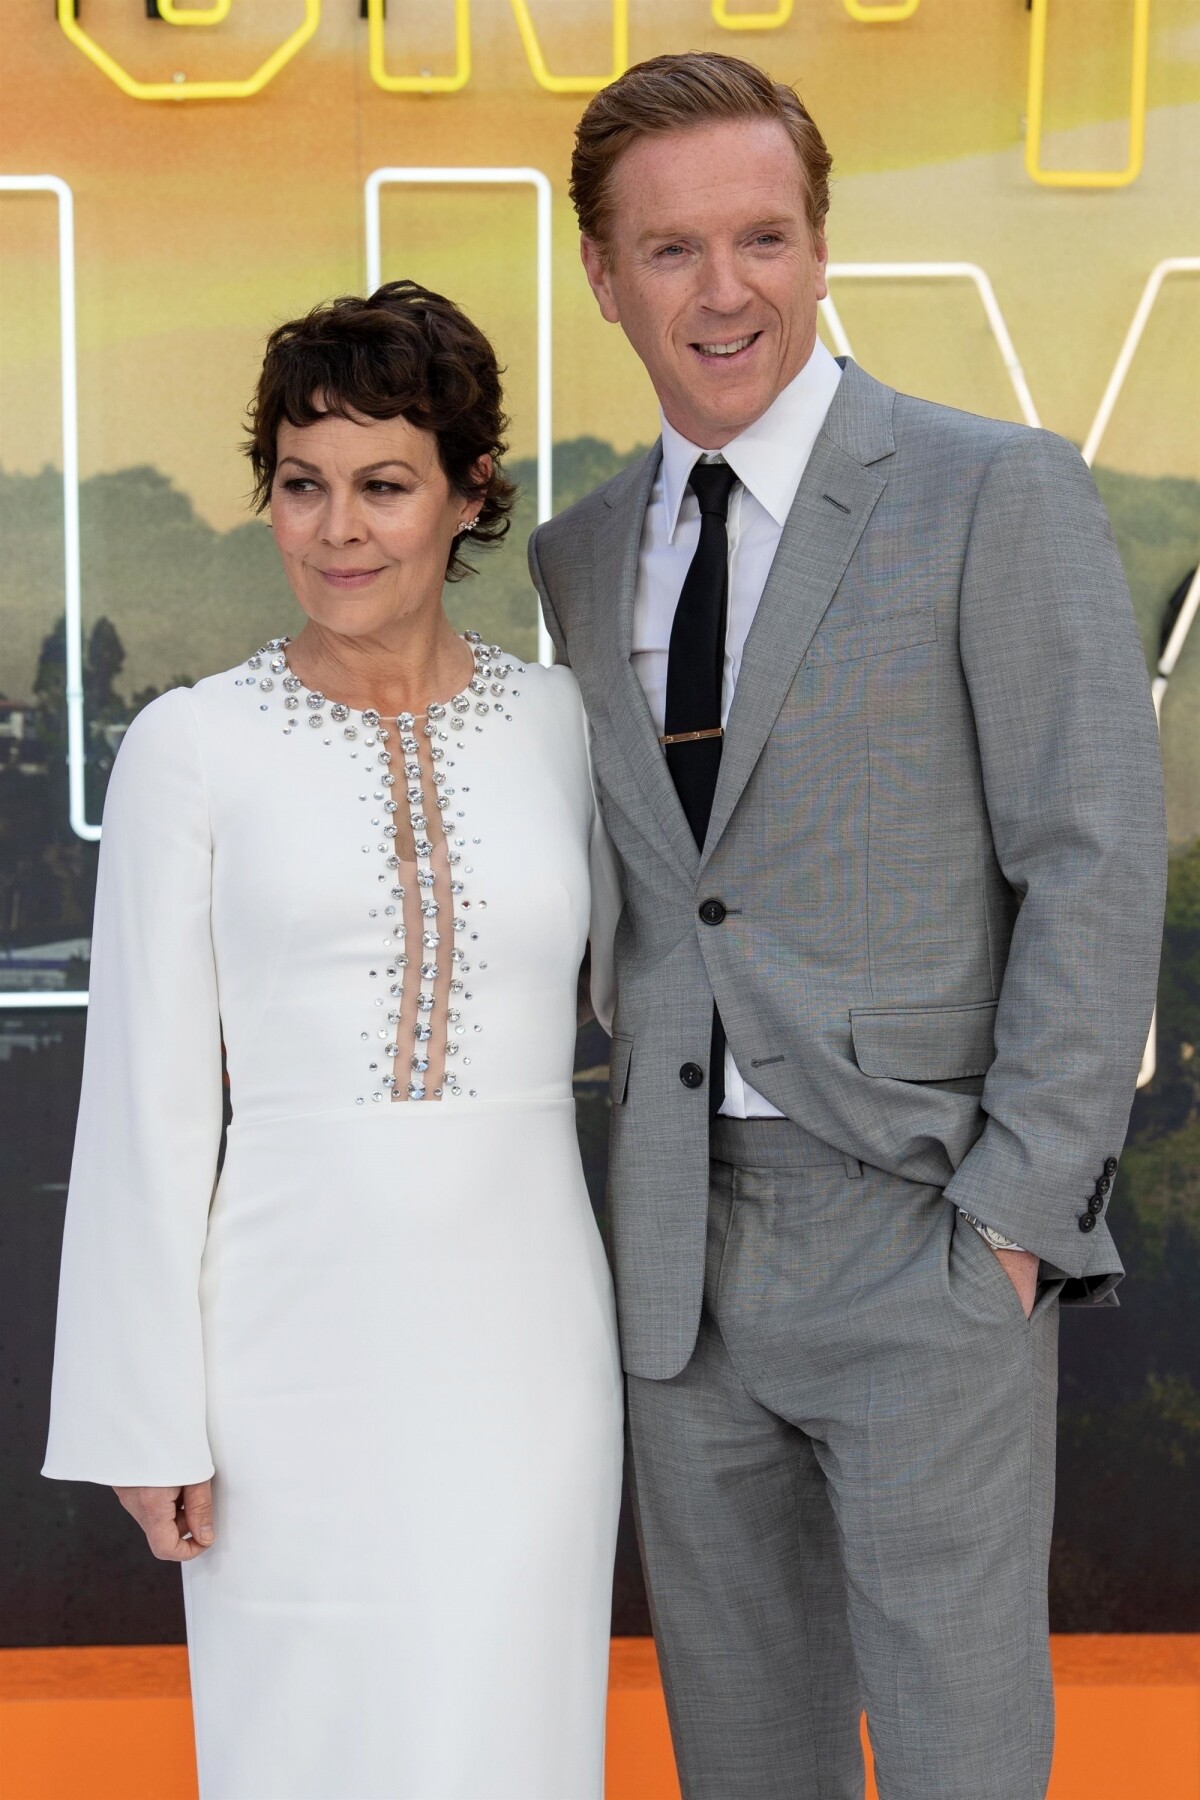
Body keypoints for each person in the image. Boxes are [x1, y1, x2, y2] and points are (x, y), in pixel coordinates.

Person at [529, 51, 1166, 1800]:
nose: (723, 290)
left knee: (964, 1761)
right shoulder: (581, 557)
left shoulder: (993, 490)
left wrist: (1016, 1224)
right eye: (671, 251)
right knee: (744, 1762)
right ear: (602, 273)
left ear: (819, 247)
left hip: (925, 1230)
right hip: (678, 1263)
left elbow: (1094, 859)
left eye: (764, 237)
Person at [43, 280, 624, 1800]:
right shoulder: (192, 746)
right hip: (283, 1355)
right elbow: (146, 1102)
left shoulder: (566, 726)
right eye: (302, 486)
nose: (336, 529)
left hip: (531, 1350)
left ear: (468, 496)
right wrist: (139, 1406)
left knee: (514, 1731)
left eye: (383, 485)